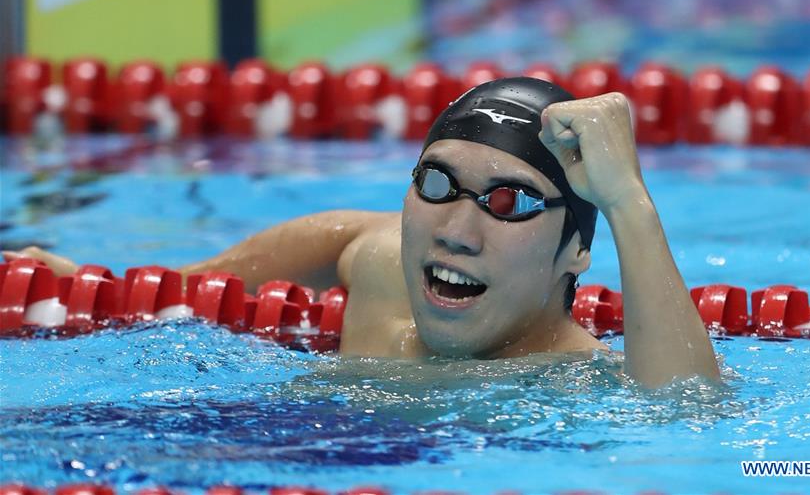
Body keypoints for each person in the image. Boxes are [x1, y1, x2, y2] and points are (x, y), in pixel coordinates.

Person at [5, 77, 719, 388]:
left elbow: (684, 411)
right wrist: (164, 287)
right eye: (435, 184)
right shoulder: (385, 268)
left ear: (577, 249)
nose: (457, 232)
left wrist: (626, 201)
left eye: (509, 203)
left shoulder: (571, 381)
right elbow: (345, 234)